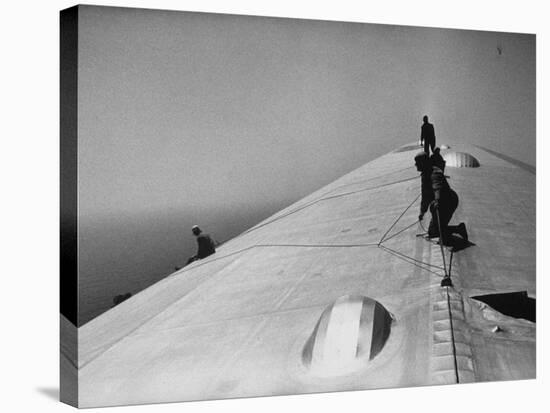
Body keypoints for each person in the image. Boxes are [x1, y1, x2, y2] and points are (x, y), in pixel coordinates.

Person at [415, 152, 467, 246]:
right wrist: (422, 212)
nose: (415, 165)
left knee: (442, 236)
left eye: (417, 163)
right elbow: (425, 197)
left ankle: (459, 230)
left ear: (423, 163)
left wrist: (437, 200)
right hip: (439, 204)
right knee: (432, 233)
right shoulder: (425, 175)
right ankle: (456, 229)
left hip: (448, 202)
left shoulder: (434, 173)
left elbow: (437, 187)